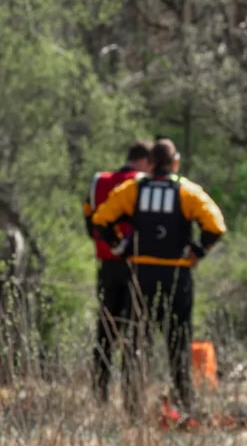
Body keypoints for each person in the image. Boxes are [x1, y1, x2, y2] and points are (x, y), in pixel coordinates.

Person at [92, 138, 226, 416]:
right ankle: (184, 401)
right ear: (175, 162)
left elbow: (101, 219)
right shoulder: (187, 191)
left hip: (141, 274)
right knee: (178, 339)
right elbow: (216, 226)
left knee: (137, 341)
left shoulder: (133, 189)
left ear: (150, 163)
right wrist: (198, 250)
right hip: (176, 274)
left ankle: (132, 404)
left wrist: (120, 247)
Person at [82, 140, 153, 403]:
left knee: (106, 330)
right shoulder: (143, 184)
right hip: (137, 266)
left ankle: (99, 394)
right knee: (135, 332)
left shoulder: (99, 181)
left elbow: (90, 222)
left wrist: (107, 243)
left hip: (106, 264)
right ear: (146, 161)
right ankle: (131, 397)